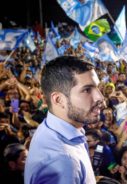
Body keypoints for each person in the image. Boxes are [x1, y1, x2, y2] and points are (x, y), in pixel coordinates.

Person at [25, 56, 105, 184]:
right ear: (59, 100)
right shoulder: (63, 162)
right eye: (87, 90)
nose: (100, 97)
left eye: (97, 87)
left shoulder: (50, 128)